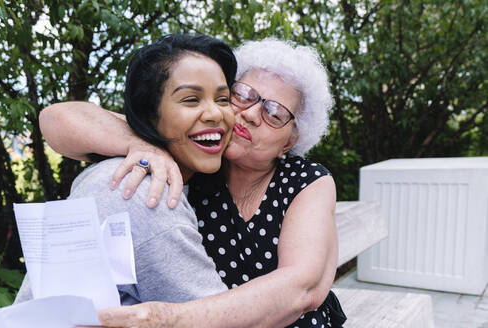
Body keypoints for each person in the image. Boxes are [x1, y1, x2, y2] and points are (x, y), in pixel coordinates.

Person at [41, 38, 346, 327]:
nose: (251, 114)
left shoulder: (304, 181)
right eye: (243, 95)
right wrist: (142, 145)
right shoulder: (194, 155)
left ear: (289, 142)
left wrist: (170, 320)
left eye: (274, 113)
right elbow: (58, 118)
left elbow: (302, 289)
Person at [15, 34, 237, 305]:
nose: (215, 113)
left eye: (223, 99)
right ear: (149, 115)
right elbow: (215, 316)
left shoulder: (126, 164)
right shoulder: (144, 190)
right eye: (191, 100)